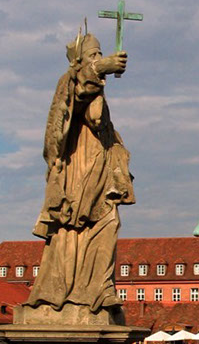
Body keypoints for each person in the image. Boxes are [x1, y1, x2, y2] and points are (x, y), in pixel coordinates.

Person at [27, 31, 133, 313]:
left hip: (101, 172)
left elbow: (98, 120)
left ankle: (100, 289)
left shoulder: (97, 89)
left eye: (100, 54)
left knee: (109, 222)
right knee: (71, 228)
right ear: (80, 60)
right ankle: (65, 289)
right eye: (93, 55)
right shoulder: (70, 81)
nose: (98, 58)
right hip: (78, 168)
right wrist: (100, 67)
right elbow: (78, 94)